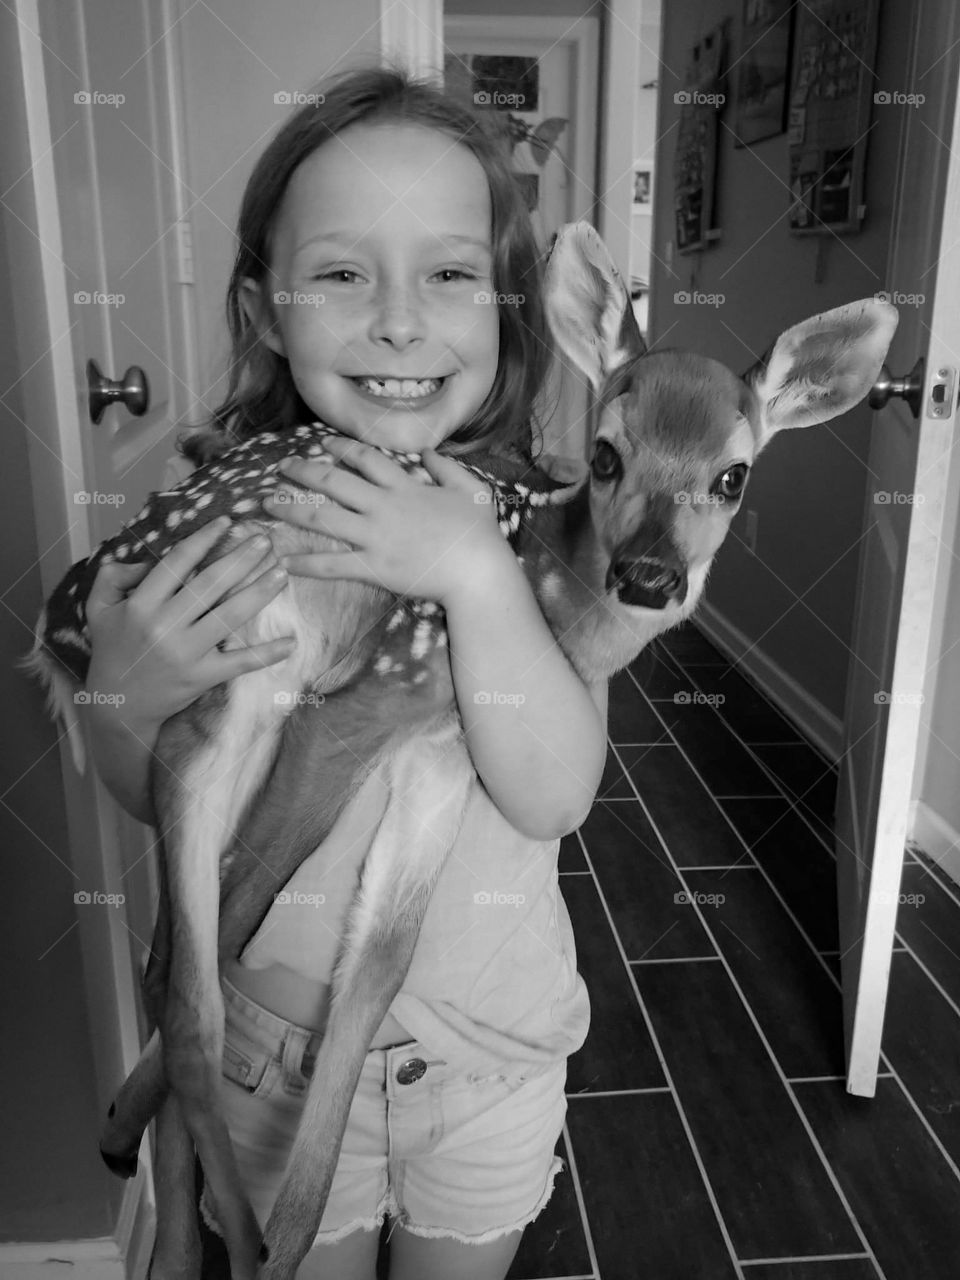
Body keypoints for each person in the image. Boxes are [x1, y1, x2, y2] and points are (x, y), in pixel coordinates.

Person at [79, 66, 607, 1280]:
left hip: (486, 1055)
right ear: (266, 311)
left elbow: (554, 793)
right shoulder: (228, 517)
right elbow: (150, 788)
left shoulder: (538, 532)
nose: (400, 321)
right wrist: (124, 683)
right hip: (265, 1056)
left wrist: (474, 573)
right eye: (340, 273)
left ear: (507, 307)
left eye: (451, 272)